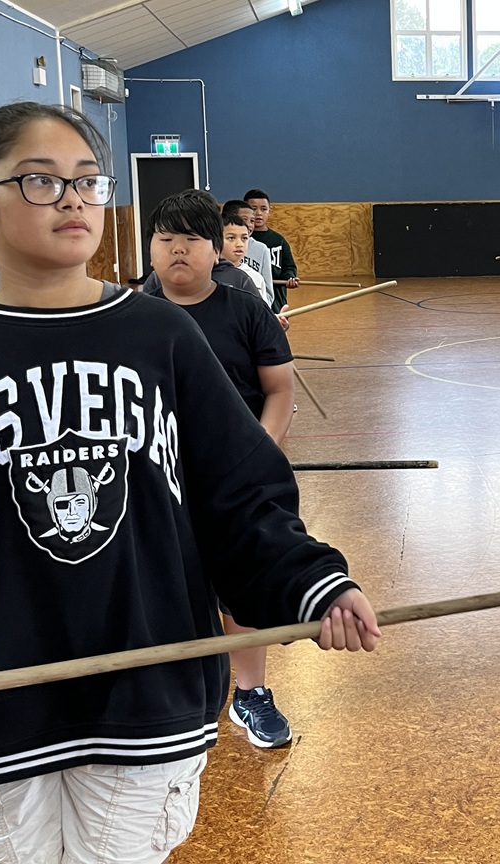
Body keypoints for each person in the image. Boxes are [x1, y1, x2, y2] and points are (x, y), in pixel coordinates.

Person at [0, 101, 380, 864]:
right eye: (40, 180)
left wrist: (311, 580)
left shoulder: (160, 335)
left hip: (141, 680)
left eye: (87, 182)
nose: (72, 199)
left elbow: (238, 492)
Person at [147, 189, 300, 748]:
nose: (177, 249)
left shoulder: (245, 310)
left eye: (191, 239)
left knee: (240, 588)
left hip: (235, 482)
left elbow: (280, 390)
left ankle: (251, 693)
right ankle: (167, 695)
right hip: (155, 484)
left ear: (217, 251)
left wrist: (257, 454)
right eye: (165, 238)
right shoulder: (131, 316)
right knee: (163, 587)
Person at [245, 188, 299, 313]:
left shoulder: (278, 240)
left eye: (263, 209)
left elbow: (289, 267)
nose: (258, 213)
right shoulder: (241, 240)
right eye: (253, 208)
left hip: (276, 299)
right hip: (250, 296)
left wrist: (290, 278)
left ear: (270, 211)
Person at [222, 198, 275, 308]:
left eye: (244, 238)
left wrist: (270, 316)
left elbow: (263, 308)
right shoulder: (207, 274)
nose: (239, 244)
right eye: (231, 238)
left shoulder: (255, 277)